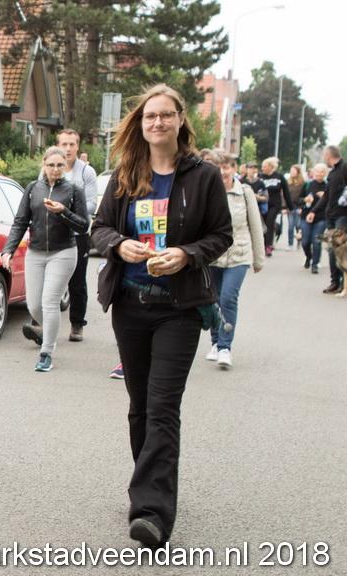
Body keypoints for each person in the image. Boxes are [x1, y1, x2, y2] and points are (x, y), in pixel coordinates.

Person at [90, 84, 232, 548]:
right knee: (140, 407)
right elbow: (99, 228)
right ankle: (147, 486)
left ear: (180, 119)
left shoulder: (204, 176)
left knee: (163, 406)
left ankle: (152, 512)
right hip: (131, 305)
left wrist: (187, 254)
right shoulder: (126, 173)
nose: (157, 123)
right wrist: (119, 245)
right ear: (141, 123)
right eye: (150, 116)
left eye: (165, 115)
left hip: (179, 309)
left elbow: (221, 235)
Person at [0, 146, 88, 371]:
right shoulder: (33, 188)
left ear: (65, 166)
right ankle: (49, 333)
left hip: (63, 252)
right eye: (51, 165)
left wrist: (63, 212)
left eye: (60, 165)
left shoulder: (74, 190)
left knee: (50, 302)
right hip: (36, 252)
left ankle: (46, 353)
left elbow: (83, 225)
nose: (55, 169)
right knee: (34, 305)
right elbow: (20, 221)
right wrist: (8, 250)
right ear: (44, 165)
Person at [203, 150, 264, 369]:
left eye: (226, 167)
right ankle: (215, 341)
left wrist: (258, 259)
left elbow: (255, 226)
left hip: (239, 255)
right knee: (213, 299)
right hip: (213, 256)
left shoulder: (244, 192)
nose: (222, 172)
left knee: (228, 298)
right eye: (218, 168)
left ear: (233, 169)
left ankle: (225, 347)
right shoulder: (207, 192)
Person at [56, 129, 98, 342]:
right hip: (54, 232)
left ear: (78, 146)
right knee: (50, 278)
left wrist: (67, 210)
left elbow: (91, 204)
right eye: (64, 144)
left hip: (77, 233)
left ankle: (77, 323)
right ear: (58, 146)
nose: (68, 148)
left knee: (77, 280)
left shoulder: (86, 172)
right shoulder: (52, 168)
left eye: (72, 144)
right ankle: (40, 324)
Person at [312, 145, 347, 293]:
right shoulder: (332, 173)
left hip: (342, 215)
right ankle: (335, 282)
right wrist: (313, 211)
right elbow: (326, 196)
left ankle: (342, 284)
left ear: (328, 155)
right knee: (332, 250)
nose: (324, 158)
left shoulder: (344, 168)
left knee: (340, 249)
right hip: (330, 215)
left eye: (324, 155)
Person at [257, 157, 292, 257]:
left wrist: (290, 207)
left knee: (269, 223)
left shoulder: (279, 177)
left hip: (274, 205)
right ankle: (262, 245)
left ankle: (268, 246)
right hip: (263, 205)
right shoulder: (260, 177)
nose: (262, 168)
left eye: (264, 166)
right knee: (262, 225)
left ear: (270, 167)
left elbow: (286, 192)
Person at [301, 163, 328, 273]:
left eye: (322, 172)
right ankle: (309, 256)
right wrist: (305, 200)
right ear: (313, 172)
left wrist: (325, 197)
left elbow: (333, 202)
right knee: (305, 242)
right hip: (306, 216)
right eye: (317, 171)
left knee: (316, 241)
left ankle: (315, 264)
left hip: (321, 217)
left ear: (325, 173)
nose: (319, 174)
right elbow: (297, 199)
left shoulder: (328, 186)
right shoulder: (307, 185)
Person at [286, 164, 306, 249]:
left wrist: (302, 207)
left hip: (299, 207)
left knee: (298, 225)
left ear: (298, 172)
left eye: (294, 170)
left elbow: (304, 196)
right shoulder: (288, 182)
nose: (292, 172)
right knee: (290, 226)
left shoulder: (303, 183)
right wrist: (284, 207)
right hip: (290, 207)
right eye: (291, 170)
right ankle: (290, 244)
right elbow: (285, 195)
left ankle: (299, 241)